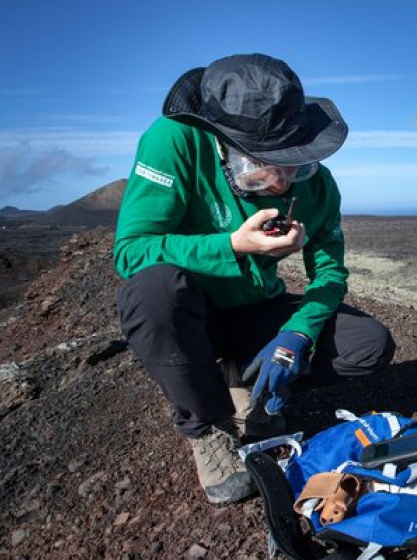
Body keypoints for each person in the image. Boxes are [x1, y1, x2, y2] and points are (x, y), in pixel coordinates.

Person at [113, 54, 396, 505]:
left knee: (369, 344)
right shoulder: (174, 140)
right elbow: (131, 252)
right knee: (152, 292)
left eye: (295, 162)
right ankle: (207, 425)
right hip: (193, 314)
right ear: (225, 144)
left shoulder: (318, 186)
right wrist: (232, 245)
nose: (283, 182)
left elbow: (329, 271)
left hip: (254, 308)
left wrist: (295, 336)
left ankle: (248, 379)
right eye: (265, 163)